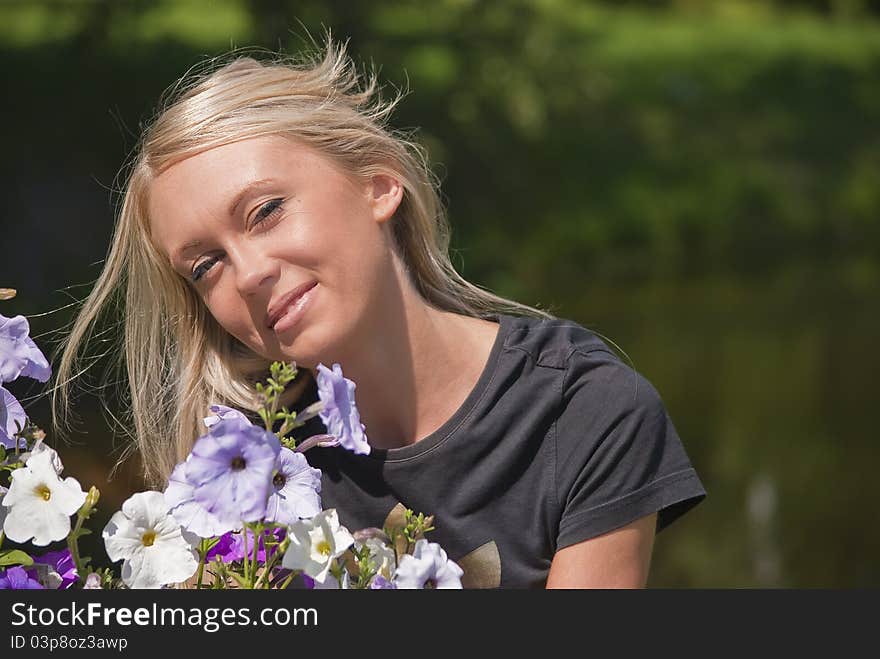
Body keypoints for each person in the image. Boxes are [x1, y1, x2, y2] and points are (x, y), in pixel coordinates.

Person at [52, 36, 706, 589]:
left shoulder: (583, 412)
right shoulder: (250, 465)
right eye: (205, 266)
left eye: (266, 210)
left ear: (379, 183)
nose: (248, 273)